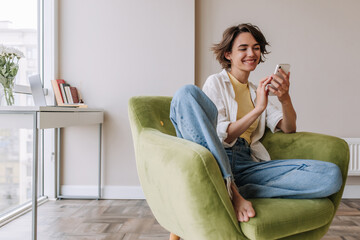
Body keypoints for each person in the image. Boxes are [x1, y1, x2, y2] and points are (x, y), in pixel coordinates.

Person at [170, 23, 342, 223]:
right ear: (228, 55)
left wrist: (284, 98)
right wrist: (258, 109)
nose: (251, 53)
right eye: (243, 48)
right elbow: (224, 137)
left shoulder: (256, 91)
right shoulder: (216, 83)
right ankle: (232, 190)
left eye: (256, 48)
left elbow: (288, 128)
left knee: (330, 175)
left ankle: (235, 189)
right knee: (186, 93)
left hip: (248, 165)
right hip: (218, 158)